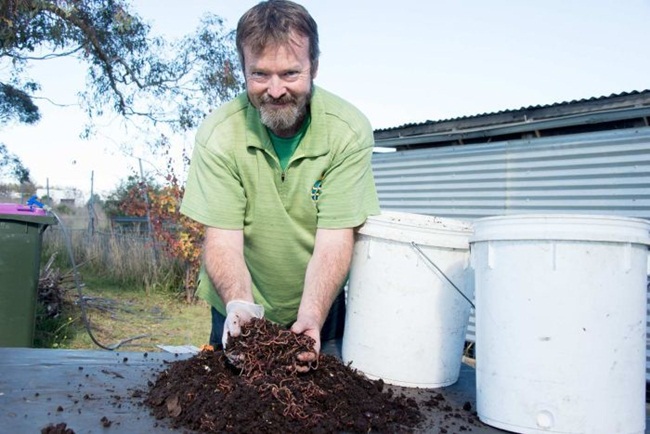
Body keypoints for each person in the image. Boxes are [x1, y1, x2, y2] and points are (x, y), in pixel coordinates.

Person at [179, 0, 379, 366]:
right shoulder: (219, 134)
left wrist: (311, 316)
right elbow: (223, 240)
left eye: (290, 74)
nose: (274, 90)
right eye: (259, 75)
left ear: (314, 68)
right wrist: (240, 306)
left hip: (320, 307)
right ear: (242, 70)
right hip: (235, 305)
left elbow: (335, 239)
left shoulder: (347, 132)